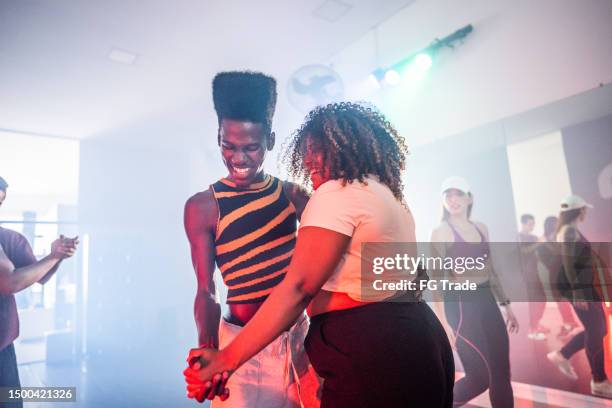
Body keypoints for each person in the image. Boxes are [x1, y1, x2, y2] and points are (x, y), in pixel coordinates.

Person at [184, 102, 454, 407]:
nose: (308, 160)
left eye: (316, 152)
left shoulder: (326, 194)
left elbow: (300, 287)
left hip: (333, 345)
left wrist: (222, 361)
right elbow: (410, 276)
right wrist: (211, 351)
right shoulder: (385, 195)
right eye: (228, 146)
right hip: (412, 336)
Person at [183, 71, 317, 407]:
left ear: (270, 140)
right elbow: (205, 289)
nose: (239, 158)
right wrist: (209, 349)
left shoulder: (293, 195)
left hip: (299, 339)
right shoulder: (203, 207)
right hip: (241, 351)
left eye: (252, 147)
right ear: (218, 137)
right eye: (229, 145)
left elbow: (326, 262)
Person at [431, 176, 518, 408]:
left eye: (458, 193)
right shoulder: (441, 232)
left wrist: (506, 305)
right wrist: (442, 323)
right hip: (460, 306)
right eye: (447, 194)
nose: (452, 199)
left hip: (487, 301)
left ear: (469, 198)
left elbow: (491, 270)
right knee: (480, 377)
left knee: (501, 372)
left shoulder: (481, 228)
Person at [0, 176, 78, 408]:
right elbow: (10, 283)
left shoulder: (9, 238)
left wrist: (58, 256)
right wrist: (53, 257)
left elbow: (41, 276)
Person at [546, 195, 612, 398]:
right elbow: (567, 261)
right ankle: (599, 380)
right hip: (580, 287)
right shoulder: (569, 230)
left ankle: (562, 354)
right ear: (579, 210)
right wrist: (577, 291)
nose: (586, 212)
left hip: (585, 286)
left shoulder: (570, 229)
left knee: (598, 329)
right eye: (584, 209)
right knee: (595, 329)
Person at [537, 215, 577, 338]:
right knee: (562, 301)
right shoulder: (543, 243)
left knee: (567, 301)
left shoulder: (561, 238)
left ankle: (570, 324)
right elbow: (548, 261)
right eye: (556, 223)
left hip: (564, 273)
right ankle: (569, 324)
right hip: (556, 275)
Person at [517, 214, 548, 340]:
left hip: (534, 273)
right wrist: (538, 242)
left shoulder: (534, 237)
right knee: (533, 302)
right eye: (530, 224)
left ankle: (536, 324)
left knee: (542, 299)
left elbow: (540, 252)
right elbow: (523, 251)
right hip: (526, 275)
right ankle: (532, 330)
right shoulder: (519, 237)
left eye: (533, 224)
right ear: (523, 224)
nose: (532, 226)